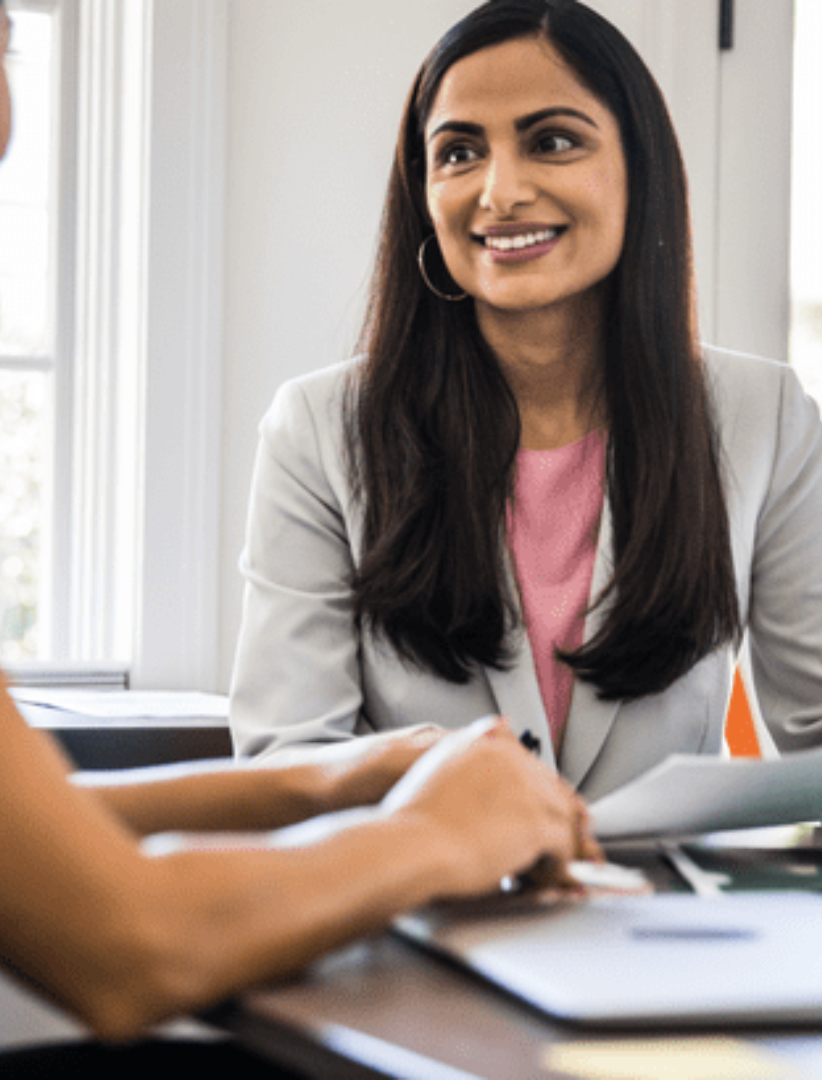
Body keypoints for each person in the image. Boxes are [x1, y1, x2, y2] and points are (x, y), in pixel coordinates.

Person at [0, 3, 598, 1078]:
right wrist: (435, 837)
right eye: (3, 53)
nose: (5, 124)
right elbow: (127, 948)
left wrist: (319, 787)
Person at [228, 0, 822, 799]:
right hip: (417, 909)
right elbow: (287, 764)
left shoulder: (766, 417)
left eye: (552, 141)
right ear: (424, 192)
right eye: (460, 152)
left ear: (638, 171)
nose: (500, 192)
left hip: (661, 918)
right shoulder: (318, 433)